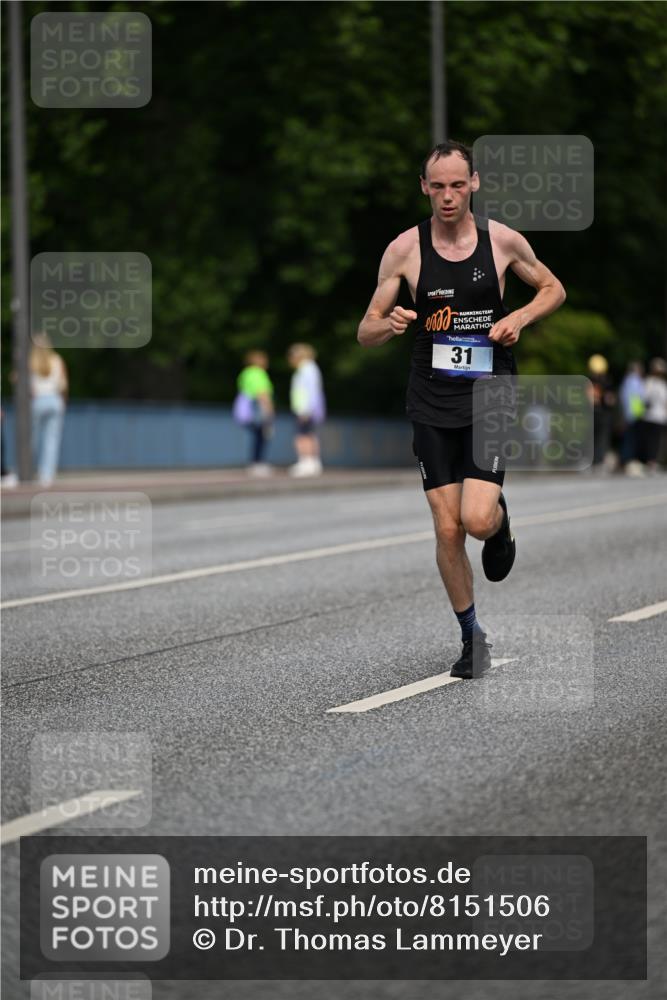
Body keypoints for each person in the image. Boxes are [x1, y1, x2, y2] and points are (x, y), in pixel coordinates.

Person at [357, 139, 566, 679]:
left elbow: (552, 288)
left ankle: (498, 525)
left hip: (491, 393)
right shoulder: (404, 250)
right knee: (447, 529)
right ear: (424, 188)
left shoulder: (501, 242)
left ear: (473, 184)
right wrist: (391, 324)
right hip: (430, 398)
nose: (447, 196)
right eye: (438, 186)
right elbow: (366, 331)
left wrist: (519, 318)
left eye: (457, 184)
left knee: (474, 521)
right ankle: (472, 636)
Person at [30, 334, 67, 486]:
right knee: (51, 441)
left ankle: (28, 471)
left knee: (32, 439)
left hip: (38, 401)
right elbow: (63, 384)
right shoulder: (57, 360)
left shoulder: (31, 361)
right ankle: (47, 476)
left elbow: (28, 387)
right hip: (55, 400)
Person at [287, 343, 326, 477]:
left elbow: (310, 391)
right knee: (309, 434)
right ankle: (313, 462)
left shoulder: (306, 369)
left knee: (302, 435)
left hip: (305, 408)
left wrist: (305, 409)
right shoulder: (310, 368)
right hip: (309, 408)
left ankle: (305, 462)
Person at [234, 350, 275, 477]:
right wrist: (270, 410)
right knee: (261, 436)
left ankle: (255, 463)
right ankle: (258, 463)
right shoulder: (258, 373)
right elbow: (262, 393)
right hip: (257, 411)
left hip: (244, 410)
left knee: (257, 436)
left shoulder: (245, 373)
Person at [587, 354, 616, 470]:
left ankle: (596, 461)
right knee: (599, 437)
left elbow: (610, 399)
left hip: (598, 412)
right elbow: (610, 400)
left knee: (597, 437)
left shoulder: (591, 380)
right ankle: (596, 461)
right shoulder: (606, 382)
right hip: (600, 412)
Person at [619, 361, 646, 476]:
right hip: (633, 414)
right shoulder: (634, 380)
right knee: (631, 439)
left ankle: (627, 461)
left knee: (630, 438)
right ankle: (627, 461)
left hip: (632, 413)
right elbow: (636, 398)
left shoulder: (629, 380)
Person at [642, 357, 667, 473]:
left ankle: (654, 462)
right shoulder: (649, 382)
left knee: (657, 441)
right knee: (651, 440)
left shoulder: (661, 384)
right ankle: (650, 462)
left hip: (659, 416)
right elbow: (644, 399)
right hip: (650, 416)